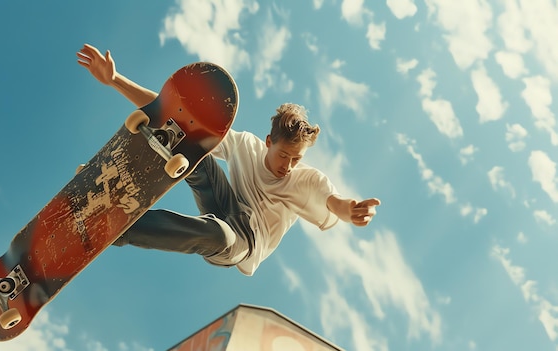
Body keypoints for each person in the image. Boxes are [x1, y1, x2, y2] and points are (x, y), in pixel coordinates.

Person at [76, 44, 381, 276]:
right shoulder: (245, 145)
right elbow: (173, 113)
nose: (287, 166)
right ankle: (117, 179)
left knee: (219, 234)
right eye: (284, 156)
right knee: (192, 141)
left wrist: (351, 210)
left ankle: (114, 224)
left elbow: (335, 203)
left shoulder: (307, 181)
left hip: (243, 241)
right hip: (224, 203)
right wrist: (115, 80)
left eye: (296, 159)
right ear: (268, 142)